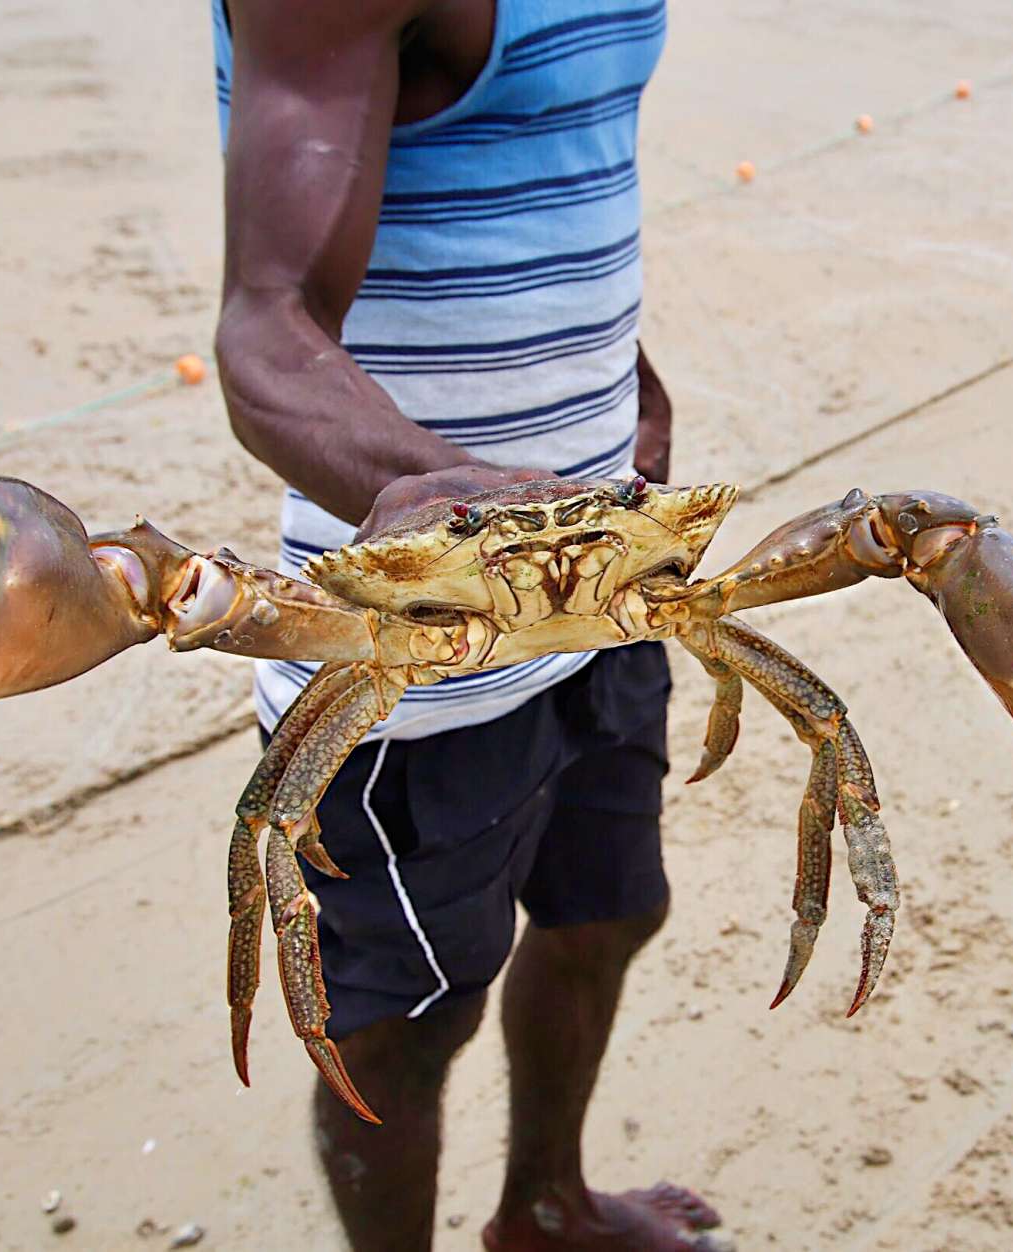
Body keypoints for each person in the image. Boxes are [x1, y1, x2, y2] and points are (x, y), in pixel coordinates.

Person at [210, 3, 728, 1248]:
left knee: (607, 908)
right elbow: (263, 325)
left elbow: (552, 160)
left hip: (605, 571)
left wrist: (616, 373)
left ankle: (544, 1207)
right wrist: (425, 493)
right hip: (411, 658)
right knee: (407, 1020)